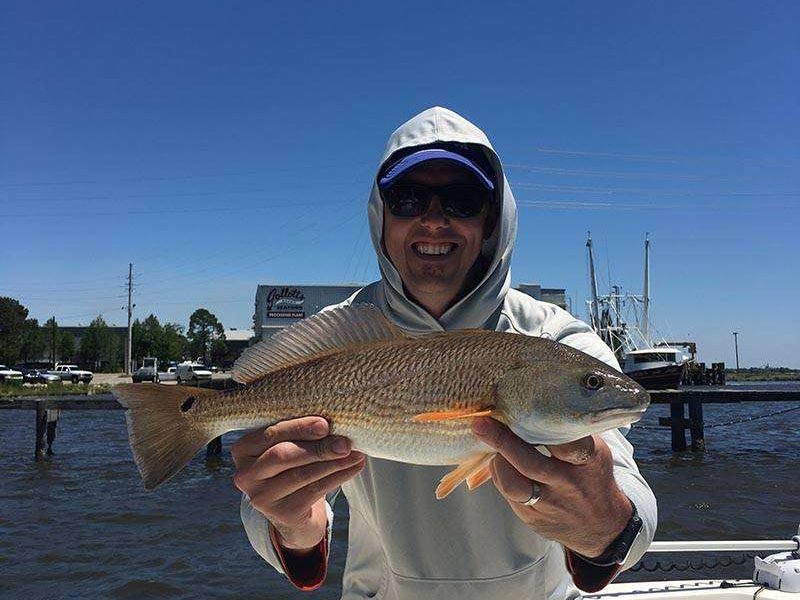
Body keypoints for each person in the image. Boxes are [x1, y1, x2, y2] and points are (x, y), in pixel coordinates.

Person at [232, 107, 657, 599]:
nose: (433, 221)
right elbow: (280, 514)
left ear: (491, 221)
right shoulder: (341, 334)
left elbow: (631, 499)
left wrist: (602, 523)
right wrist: (293, 524)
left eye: (461, 200)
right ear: (381, 216)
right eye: (408, 200)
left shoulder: (556, 340)